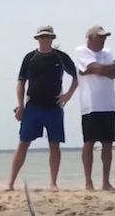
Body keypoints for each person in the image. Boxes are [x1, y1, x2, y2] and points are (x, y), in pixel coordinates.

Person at [7, 26, 78, 191]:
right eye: (42, 37)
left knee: (55, 145)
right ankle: (10, 182)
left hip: (54, 107)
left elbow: (76, 77)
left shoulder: (60, 57)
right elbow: (21, 82)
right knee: (23, 143)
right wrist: (20, 106)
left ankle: (53, 182)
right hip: (32, 107)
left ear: (52, 38)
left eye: (47, 37)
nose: (45, 39)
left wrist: (68, 95)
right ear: (37, 39)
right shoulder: (30, 58)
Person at [75, 25, 115, 191]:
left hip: (109, 104)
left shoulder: (108, 52)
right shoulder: (82, 51)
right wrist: (107, 68)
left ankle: (106, 182)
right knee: (89, 142)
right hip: (91, 105)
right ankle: (88, 182)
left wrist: (99, 70)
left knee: (108, 144)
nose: (103, 40)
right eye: (100, 37)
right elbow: (99, 69)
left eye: (104, 37)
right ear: (90, 38)